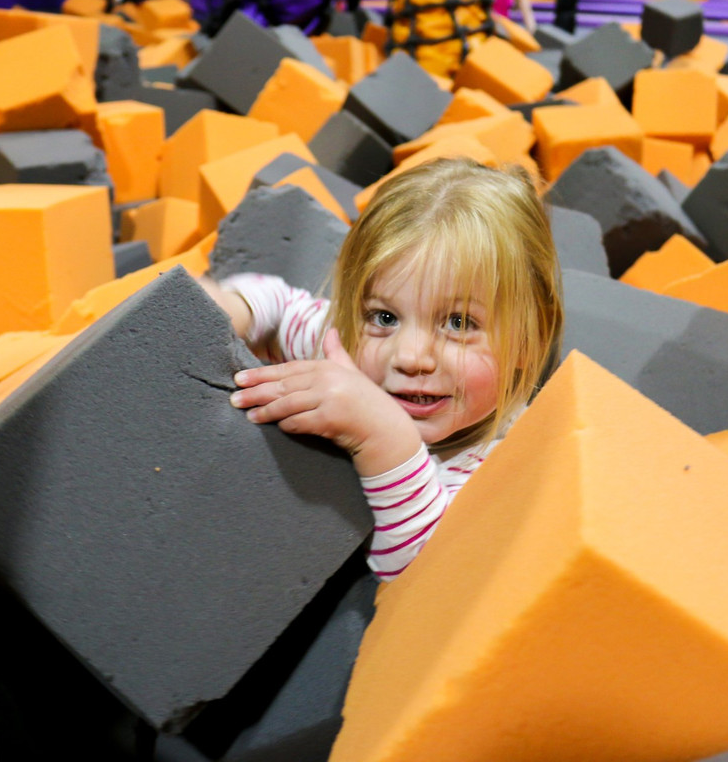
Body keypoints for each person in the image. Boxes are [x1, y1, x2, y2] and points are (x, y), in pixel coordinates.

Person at [201, 159, 564, 580]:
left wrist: (384, 436)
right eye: (386, 317)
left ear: (528, 342)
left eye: (460, 323)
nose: (410, 357)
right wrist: (236, 308)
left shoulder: (507, 465)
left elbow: (424, 587)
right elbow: (284, 306)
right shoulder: (349, 349)